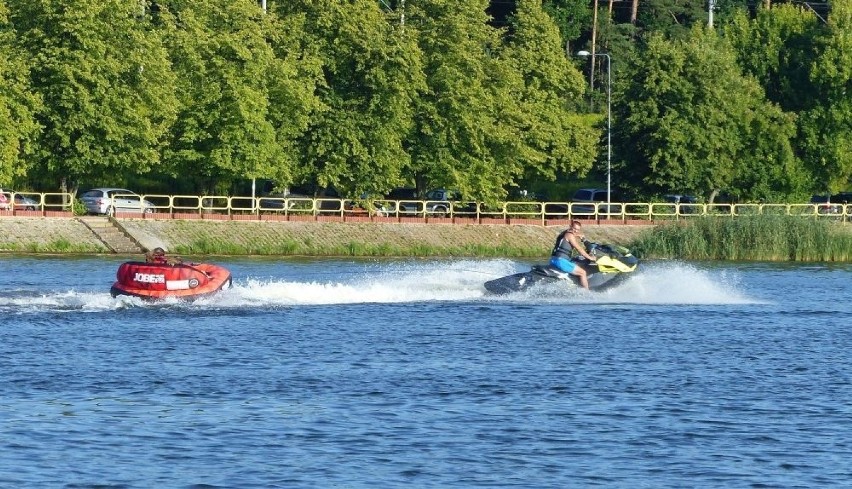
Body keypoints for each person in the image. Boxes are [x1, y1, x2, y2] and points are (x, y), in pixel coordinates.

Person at [550, 220, 596, 290]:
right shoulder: (570, 235)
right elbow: (579, 248)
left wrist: (580, 236)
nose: (575, 231)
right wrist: (590, 257)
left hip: (554, 260)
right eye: (574, 228)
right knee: (583, 273)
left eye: (578, 230)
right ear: (570, 226)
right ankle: (587, 293)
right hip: (561, 261)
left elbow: (572, 234)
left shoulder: (565, 233)